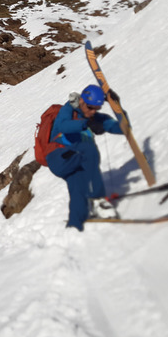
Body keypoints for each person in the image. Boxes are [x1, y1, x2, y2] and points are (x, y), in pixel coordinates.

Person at [46, 85, 123, 231]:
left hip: (76, 159)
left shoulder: (93, 117)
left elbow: (122, 128)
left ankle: (74, 226)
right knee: (89, 149)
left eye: (96, 108)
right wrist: (86, 123)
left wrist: (118, 106)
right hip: (58, 157)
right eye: (90, 107)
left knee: (78, 189)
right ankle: (98, 201)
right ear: (82, 101)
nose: (93, 111)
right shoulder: (68, 110)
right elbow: (63, 126)